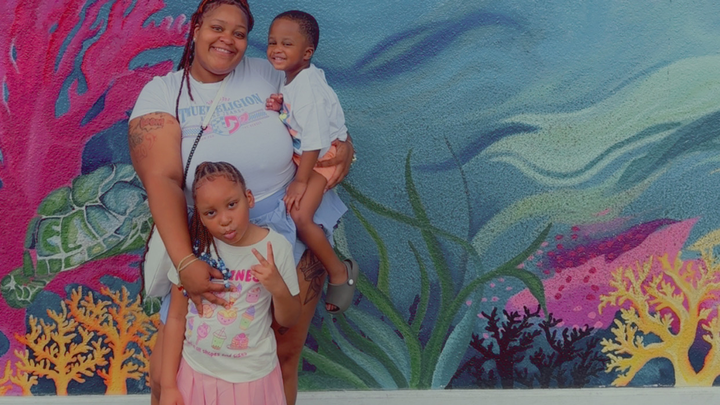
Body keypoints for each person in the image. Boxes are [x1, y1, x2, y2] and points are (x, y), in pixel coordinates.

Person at [127, 1, 355, 404]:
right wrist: (185, 261)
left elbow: (319, 119)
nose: (227, 40)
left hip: (286, 225)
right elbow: (161, 179)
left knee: (282, 355)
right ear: (196, 28)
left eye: (239, 33)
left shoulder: (271, 72)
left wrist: (345, 148)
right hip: (206, 240)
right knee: (167, 369)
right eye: (217, 27)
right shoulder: (163, 92)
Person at [161, 161, 299, 405]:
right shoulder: (193, 250)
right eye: (210, 213)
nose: (224, 220)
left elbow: (289, 319)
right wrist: (168, 385)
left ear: (249, 198)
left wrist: (277, 287)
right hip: (196, 374)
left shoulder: (275, 248)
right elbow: (175, 317)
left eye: (232, 205)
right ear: (200, 217)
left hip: (251, 379)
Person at [265, 10, 359, 314]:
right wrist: (280, 109)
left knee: (301, 216)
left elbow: (314, 141)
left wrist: (300, 180)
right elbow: (298, 120)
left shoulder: (307, 89)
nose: (277, 49)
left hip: (322, 161)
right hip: (308, 157)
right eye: (272, 42)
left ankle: (339, 272)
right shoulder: (294, 79)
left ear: (307, 53)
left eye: (287, 44)